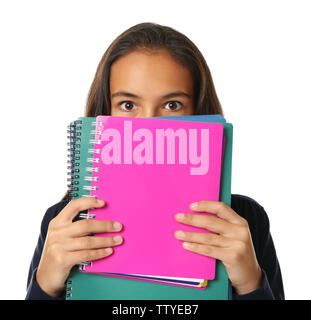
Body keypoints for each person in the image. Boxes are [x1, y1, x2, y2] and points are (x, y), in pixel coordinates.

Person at [26, 22, 284, 300]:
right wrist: (45, 284)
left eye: (172, 105)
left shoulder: (245, 221)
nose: (148, 125)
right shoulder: (65, 223)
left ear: (199, 114)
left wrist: (251, 284)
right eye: (128, 105)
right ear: (104, 113)